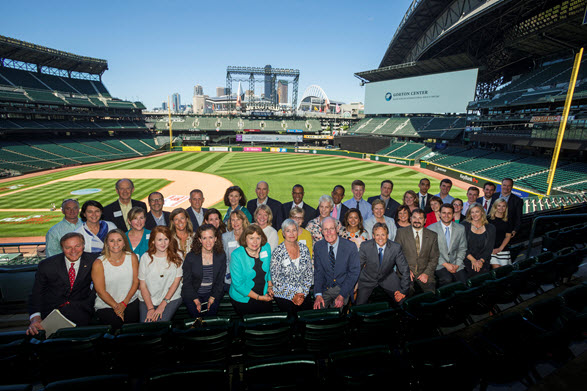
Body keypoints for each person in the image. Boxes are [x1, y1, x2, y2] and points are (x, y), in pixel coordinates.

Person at [27, 233, 98, 335]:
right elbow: (36, 294)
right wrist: (35, 318)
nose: (73, 251)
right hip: (52, 312)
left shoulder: (94, 260)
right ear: (62, 248)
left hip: (82, 311)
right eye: (68, 247)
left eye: (77, 246)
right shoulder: (47, 265)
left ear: (83, 245)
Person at [92, 229, 139, 329]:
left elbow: (136, 282)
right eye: (112, 241)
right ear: (107, 244)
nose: (115, 244)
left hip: (130, 301)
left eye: (119, 240)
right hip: (107, 305)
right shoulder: (99, 263)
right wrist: (116, 307)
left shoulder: (132, 257)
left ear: (124, 243)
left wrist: (124, 304)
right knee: (116, 329)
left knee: (132, 331)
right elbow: (100, 291)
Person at [357, 222, 410, 305]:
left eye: (383, 235)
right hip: (368, 279)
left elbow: (405, 270)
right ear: (373, 236)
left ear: (387, 235)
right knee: (359, 306)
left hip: (388, 278)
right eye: (377, 235)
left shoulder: (395, 248)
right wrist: (354, 284)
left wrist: (403, 291)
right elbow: (357, 267)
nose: (380, 238)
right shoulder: (365, 246)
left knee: (402, 302)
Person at [138, 226, 183, 322]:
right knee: (145, 325)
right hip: (148, 298)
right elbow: (143, 285)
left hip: (170, 298)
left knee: (159, 324)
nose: (163, 243)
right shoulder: (145, 258)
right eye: (159, 239)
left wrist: (163, 305)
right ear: (153, 241)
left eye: (166, 239)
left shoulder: (177, 256)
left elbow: (176, 282)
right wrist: (150, 308)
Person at [313, 217, 360, 309]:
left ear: (337, 229)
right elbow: (318, 272)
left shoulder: (350, 247)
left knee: (337, 313)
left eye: (331, 229)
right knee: (317, 312)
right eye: (325, 229)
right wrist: (318, 295)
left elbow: (354, 273)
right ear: (322, 231)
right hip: (325, 288)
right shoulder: (318, 247)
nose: (329, 232)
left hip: (343, 288)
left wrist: (342, 295)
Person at [182, 224, 227, 318]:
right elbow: (187, 283)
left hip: (212, 293)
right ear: (199, 240)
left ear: (215, 238)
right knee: (197, 318)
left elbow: (220, 281)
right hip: (193, 293)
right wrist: (195, 299)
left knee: (210, 317)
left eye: (211, 237)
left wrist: (212, 297)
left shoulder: (221, 256)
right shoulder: (191, 257)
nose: (208, 242)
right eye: (204, 238)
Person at [270, 219, 314, 315]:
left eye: (294, 230)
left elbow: (309, 274)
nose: (291, 233)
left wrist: (303, 293)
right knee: (292, 321)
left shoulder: (304, 249)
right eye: (288, 230)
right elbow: (276, 280)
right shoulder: (277, 252)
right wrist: (292, 296)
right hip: (284, 294)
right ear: (283, 233)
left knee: (307, 318)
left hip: (303, 293)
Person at [229, 225, 273, 315]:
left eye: (258, 238)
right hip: (243, 298)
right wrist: (259, 298)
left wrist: (270, 286)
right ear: (245, 239)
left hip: (264, 293)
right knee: (250, 326)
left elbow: (269, 269)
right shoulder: (237, 255)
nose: (255, 242)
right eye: (251, 238)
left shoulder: (266, 247)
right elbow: (238, 284)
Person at [395, 209, 439, 294]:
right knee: (407, 293)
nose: (417, 221)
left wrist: (426, 273)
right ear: (410, 219)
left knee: (431, 295)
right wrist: (406, 270)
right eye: (414, 217)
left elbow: (434, 257)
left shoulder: (432, 235)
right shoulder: (401, 232)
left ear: (425, 220)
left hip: (425, 271)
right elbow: (397, 254)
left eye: (420, 218)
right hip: (406, 271)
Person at [428, 204, 468, 286]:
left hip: (456, 263)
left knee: (464, 282)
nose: (446, 215)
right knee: (447, 279)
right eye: (444, 213)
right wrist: (446, 264)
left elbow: (462, 248)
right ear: (439, 214)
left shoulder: (460, 228)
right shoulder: (431, 229)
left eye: (449, 213)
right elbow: (431, 251)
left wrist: (457, 264)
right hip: (439, 264)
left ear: (453, 214)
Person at [462, 204, 496, 278]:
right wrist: (473, 260)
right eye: (472, 212)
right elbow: (462, 247)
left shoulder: (491, 228)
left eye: (477, 211)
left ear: (482, 212)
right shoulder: (464, 226)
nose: (474, 214)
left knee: (482, 276)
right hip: (466, 259)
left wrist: (480, 261)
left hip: (483, 259)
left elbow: (489, 248)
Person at [222, 210, 250, 289]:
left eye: (238, 219)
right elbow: (225, 259)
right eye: (233, 220)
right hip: (230, 278)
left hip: (247, 278)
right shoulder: (225, 237)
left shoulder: (249, 236)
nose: (235, 222)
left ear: (243, 220)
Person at [489, 198, 513, 268]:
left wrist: (500, 248)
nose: (501, 208)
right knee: (496, 268)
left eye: (503, 206)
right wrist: (489, 249)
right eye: (499, 206)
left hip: (503, 249)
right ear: (495, 207)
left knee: (504, 271)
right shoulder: (488, 220)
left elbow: (508, 236)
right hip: (491, 250)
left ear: (506, 208)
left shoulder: (508, 220)